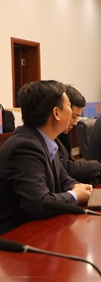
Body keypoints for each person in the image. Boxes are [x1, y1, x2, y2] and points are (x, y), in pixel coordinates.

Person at [0, 80, 93, 235]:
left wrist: (77, 186)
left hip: (40, 228)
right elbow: (38, 204)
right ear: (56, 113)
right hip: (17, 237)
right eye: (69, 106)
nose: (73, 114)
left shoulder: (44, 139)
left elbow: (63, 179)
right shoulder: (24, 147)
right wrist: (75, 196)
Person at [56, 86, 101, 185]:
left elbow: (70, 164)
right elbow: (64, 167)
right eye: (73, 117)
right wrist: (97, 166)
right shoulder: (49, 136)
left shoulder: (64, 131)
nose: (75, 123)